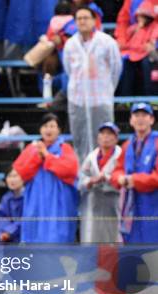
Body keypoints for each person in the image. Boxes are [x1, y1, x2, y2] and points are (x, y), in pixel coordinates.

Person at [63, 6, 122, 161]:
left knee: (105, 138)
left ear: (94, 20)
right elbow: (69, 69)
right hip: (78, 100)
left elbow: (116, 68)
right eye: (79, 19)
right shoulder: (70, 44)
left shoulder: (107, 42)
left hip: (100, 98)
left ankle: (106, 173)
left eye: (86, 18)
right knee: (79, 137)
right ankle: (84, 176)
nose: (82, 22)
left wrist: (108, 89)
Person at [13, 113, 79, 243]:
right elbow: (21, 172)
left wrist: (47, 156)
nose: (48, 130)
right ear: (40, 129)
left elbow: (70, 169)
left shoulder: (65, 148)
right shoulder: (31, 149)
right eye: (45, 126)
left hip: (59, 202)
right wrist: (38, 157)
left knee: (59, 238)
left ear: (59, 130)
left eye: (52, 126)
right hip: (36, 201)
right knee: (35, 237)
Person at [111, 103, 158, 243]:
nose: (140, 119)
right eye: (136, 115)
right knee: (134, 251)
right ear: (131, 120)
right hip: (131, 208)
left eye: (144, 115)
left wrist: (133, 180)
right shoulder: (127, 145)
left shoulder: (156, 142)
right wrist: (119, 178)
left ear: (152, 119)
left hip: (153, 205)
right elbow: (117, 170)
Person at [79, 122, 122, 243]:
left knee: (114, 235)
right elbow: (82, 176)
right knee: (94, 235)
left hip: (115, 198)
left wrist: (106, 177)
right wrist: (89, 181)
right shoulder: (92, 156)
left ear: (116, 138)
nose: (106, 137)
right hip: (95, 200)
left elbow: (124, 174)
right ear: (98, 138)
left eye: (109, 134)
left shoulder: (120, 154)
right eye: (103, 134)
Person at [119, 1, 158, 96]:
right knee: (124, 62)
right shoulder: (135, 27)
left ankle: (151, 97)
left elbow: (151, 44)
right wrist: (136, 29)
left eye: (143, 16)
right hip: (133, 53)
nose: (140, 18)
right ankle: (125, 98)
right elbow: (126, 39)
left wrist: (151, 46)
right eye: (139, 16)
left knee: (148, 63)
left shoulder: (155, 27)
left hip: (149, 54)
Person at [0, 167, 24, 243]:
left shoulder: (30, 198)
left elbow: (27, 220)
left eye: (15, 176)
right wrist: (2, 233)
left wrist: (9, 232)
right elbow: (1, 217)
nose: (12, 180)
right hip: (7, 239)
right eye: (9, 176)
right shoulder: (6, 198)